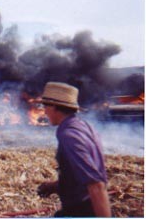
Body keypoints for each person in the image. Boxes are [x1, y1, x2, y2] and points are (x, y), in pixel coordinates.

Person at [37, 82, 111, 217]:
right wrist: (56, 186)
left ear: (53, 107)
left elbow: (96, 184)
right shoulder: (83, 126)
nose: (44, 111)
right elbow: (82, 173)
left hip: (82, 211)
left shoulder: (69, 135)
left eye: (45, 106)